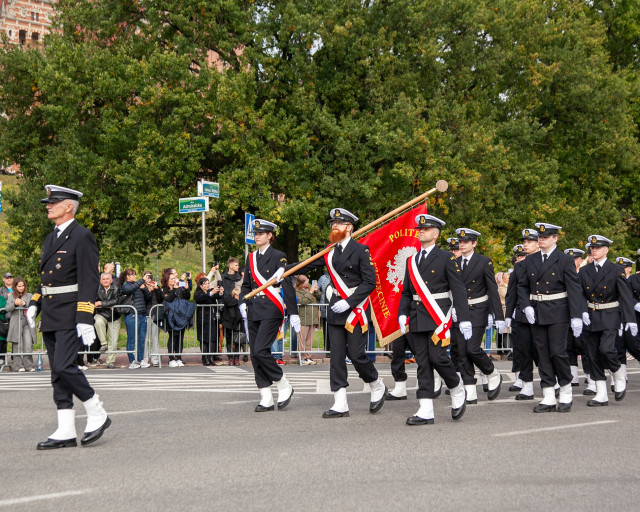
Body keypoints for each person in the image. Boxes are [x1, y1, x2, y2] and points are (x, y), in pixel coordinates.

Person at [27, 185, 110, 449]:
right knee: (57, 373)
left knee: (64, 366)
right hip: (51, 312)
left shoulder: (82, 236)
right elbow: (48, 279)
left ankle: (96, 410)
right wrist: (34, 303)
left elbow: (88, 278)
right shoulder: (51, 238)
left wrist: (85, 317)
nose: (48, 206)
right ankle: (65, 429)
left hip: (71, 312)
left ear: (69, 206)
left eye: (54, 202)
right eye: (48, 203)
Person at [286, 208, 386, 418]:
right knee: (337, 357)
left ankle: (376, 383)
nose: (334, 227)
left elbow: (370, 282)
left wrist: (350, 302)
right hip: (335, 310)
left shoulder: (361, 251)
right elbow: (309, 263)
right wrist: (286, 271)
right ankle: (340, 402)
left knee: (357, 355)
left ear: (349, 227)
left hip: (355, 310)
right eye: (333, 224)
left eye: (338, 224)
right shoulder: (329, 251)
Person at [397, 214, 471, 424]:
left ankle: (456, 387)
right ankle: (426, 409)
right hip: (417, 316)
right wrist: (402, 313)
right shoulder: (412, 260)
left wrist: (463, 318)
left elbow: (458, 289)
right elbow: (406, 292)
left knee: (437, 358)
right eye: (420, 229)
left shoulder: (446, 257)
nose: (421, 231)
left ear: (436, 234)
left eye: (426, 229)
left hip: (438, 315)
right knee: (422, 362)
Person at [516, 222, 586, 413]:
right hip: (537, 311)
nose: (541, 239)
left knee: (557, 352)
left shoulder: (564, 260)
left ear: (555, 238)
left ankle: (565, 390)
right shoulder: (531, 260)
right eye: (539, 236)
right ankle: (547, 394)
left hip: (558, 312)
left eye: (545, 237)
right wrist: (526, 306)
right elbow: (522, 285)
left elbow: (574, 289)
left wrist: (576, 316)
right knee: (542, 354)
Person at [239, 219, 299, 412]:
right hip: (254, 308)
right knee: (254, 355)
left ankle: (283, 383)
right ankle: (265, 396)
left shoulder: (278, 256)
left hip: (272, 308)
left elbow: (287, 282)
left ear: (269, 236)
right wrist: (242, 302)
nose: (256, 236)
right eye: (255, 234)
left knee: (260, 350)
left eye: (260, 233)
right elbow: (247, 285)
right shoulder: (250, 258)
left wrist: (293, 311)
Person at [578, 236, 637, 406]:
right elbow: (580, 294)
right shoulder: (584, 271)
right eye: (592, 248)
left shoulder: (615, 269)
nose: (593, 250)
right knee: (592, 355)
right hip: (591, 315)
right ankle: (601, 393)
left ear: (606, 250)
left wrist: (630, 319)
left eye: (598, 248)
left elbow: (625, 295)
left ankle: (618, 373)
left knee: (606, 349)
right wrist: (582, 311)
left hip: (610, 314)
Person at [451, 227, 505, 404]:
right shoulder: (454, 263)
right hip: (460, 312)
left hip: (478, 310)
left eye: (466, 241)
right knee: (461, 352)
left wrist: (497, 315)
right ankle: (469, 389)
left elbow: (492, 290)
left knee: (472, 348)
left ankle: (491, 372)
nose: (462, 244)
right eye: (460, 241)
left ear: (474, 243)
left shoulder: (484, 262)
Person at [505, 240, 531, 396]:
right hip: (520, 313)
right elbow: (511, 294)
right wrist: (509, 314)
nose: (520, 259)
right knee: (521, 348)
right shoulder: (517, 271)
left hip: (542, 312)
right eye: (518, 256)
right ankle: (521, 378)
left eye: (523, 256)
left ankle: (552, 379)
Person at [154, 268, 191, 367]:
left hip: (180, 315)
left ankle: (179, 357)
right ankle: (171, 358)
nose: (174, 280)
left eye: (175, 278)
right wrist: (174, 289)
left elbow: (186, 297)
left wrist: (186, 289)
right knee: (172, 336)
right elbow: (168, 299)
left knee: (180, 337)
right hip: (170, 316)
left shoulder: (179, 287)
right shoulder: (164, 290)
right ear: (167, 280)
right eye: (172, 279)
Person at [564, 248, 589, 387]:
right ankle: (573, 376)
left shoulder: (584, 274)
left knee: (584, 346)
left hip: (583, 314)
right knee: (569, 345)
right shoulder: (564, 274)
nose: (572, 262)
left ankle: (590, 375)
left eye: (575, 259)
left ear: (580, 260)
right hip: (567, 314)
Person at [120, 269, 150, 369]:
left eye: (135, 275)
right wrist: (141, 281)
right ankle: (132, 361)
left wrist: (144, 288)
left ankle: (141, 360)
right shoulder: (126, 285)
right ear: (127, 277)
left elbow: (148, 297)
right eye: (132, 275)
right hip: (132, 315)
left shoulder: (138, 285)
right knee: (131, 339)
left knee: (141, 339)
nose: (134, 276)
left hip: (142, 315)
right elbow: (129, 290)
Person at [6, 277, 37, 372]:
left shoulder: (29, 295)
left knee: (28, 344)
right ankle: (18, 366)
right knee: (17, 344)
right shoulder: (11, 296)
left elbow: (33, 308)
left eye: (23, 286)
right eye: (19, 286)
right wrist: (15, 304)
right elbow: (7, 309)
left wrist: (25, 305)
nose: (21, 288)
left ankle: (29, 366)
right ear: (15, 286)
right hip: (16, 322)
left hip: (27, 322)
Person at [94, 272, 121, 369]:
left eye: (107, 278)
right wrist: (107, 305)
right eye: (103, 279)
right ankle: (103, 344)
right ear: (101, 281)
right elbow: (93, 301)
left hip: (115, 316)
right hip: (101, 314)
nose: (105, 280)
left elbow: (116, 301)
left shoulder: (116, 288)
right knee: (97, 321)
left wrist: (101, 303)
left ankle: (110, 362)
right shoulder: (97, 288)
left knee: (113, 341)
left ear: (111, 280)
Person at [194, 277, 223, 366]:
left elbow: (216, 296)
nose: (207, 285)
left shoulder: (211, 290)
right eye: (205, 284)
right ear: (201, 285)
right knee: (204, 339)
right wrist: (211, 293)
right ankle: (205, 357)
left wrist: (220, 292)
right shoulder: (198, 292)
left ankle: (211, 357)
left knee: (213, 338)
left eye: (208, 283)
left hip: (212, 318)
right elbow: (200, 299)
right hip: (203, 319)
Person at [294, 275, 322, 364]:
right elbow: (302, 301)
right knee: (303, 339)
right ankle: (302, 357)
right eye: (306, 282)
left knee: (310, 340)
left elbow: (320, 297)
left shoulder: (310, 287)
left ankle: (308, 357)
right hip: (303, 318)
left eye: (308, 281)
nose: (308, 283)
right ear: (301, 284)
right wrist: (310, 292)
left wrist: (316, 290)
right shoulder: (297, 291)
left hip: (313, 318)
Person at [221, 257, 244, 363]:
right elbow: (222, 292)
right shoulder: (223, 277)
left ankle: (237, 357)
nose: (237, 267)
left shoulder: (240, 277)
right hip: (227, 308)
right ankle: (230, 356)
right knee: (228, 334)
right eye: (236, 265)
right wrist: (228, 299)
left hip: (237, 308)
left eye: (238, 265)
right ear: (230, 265)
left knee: (237, 333)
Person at [0, 272, 13, 364]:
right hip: (4, 317)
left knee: (15, 338)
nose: (9, 279)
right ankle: (2, 359)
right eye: (7, 277)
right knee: (3, 337)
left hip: (14, 316)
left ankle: (14, 357)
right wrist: (7, 296)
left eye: (10, 277)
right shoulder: (1, 290)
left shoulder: (17, 288)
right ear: (4, 279)